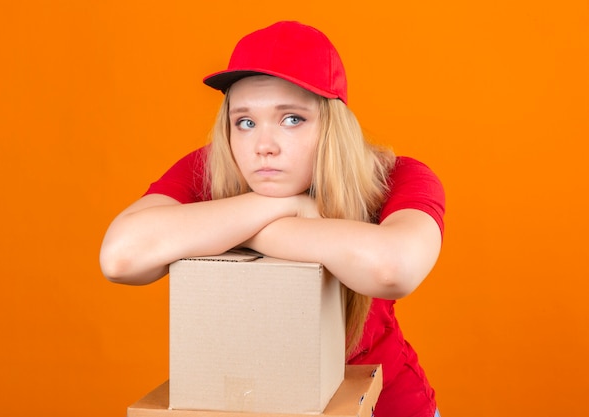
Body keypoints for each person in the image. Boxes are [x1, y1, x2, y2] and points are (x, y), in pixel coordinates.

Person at [100, 20, 445, 417]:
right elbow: (121, 257)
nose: (263, 146)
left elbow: (393, 269)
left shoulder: (396, 176)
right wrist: (287, 209)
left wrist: (238, 231)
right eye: (244, 122)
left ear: (333, 126)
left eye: (292, 119)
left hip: (384, 407)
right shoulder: (210, 168)